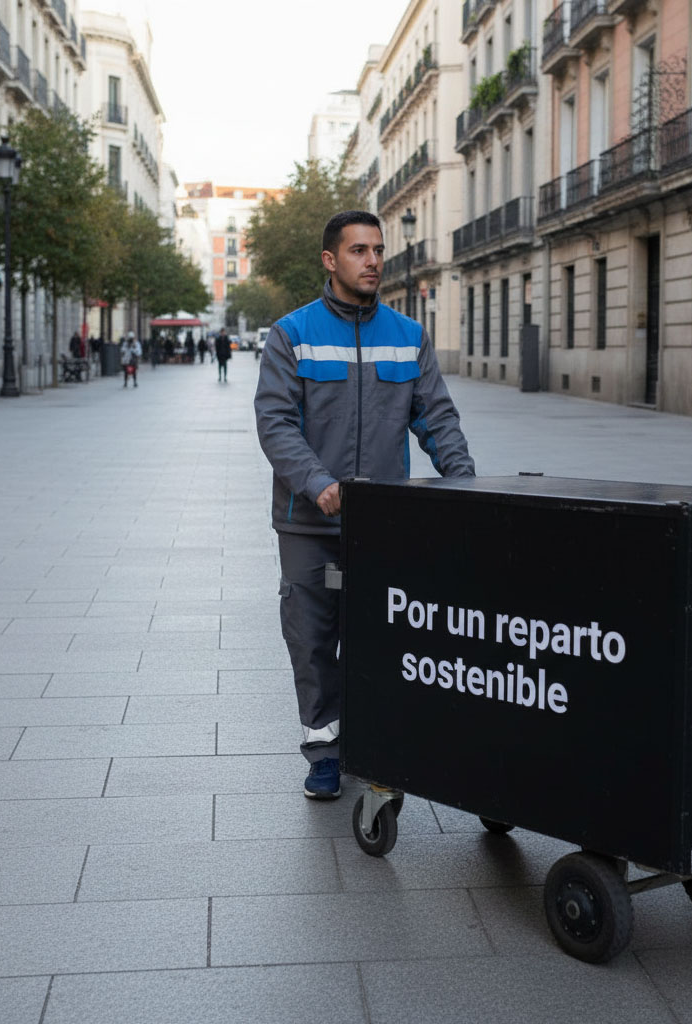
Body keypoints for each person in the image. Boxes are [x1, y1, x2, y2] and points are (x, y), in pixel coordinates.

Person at [254, 210, 474, 800]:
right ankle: (325, 750)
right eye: (359, 251)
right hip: (310, 523)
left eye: (378, 249)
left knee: (384, 637)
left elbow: (437, 418)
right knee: (313, 639)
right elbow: (275, 424)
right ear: (331, 260)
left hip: (385, 524)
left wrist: (465, 483)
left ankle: (378, 748)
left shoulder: (408, 336)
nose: (373, 260)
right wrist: (316, 481)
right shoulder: (292, 335)